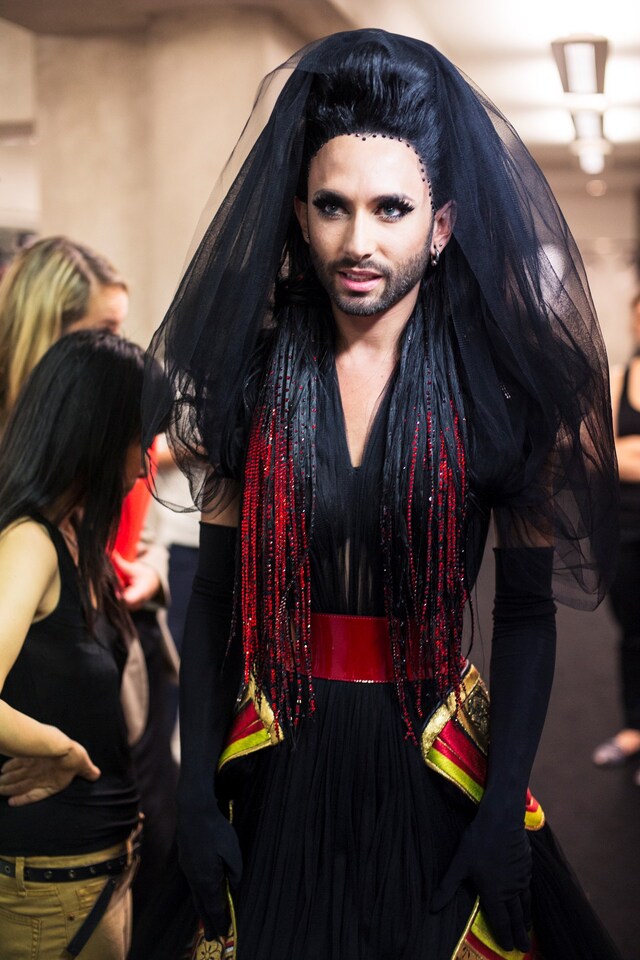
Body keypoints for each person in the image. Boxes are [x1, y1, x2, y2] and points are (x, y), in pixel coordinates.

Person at [143, 30, 621, 960]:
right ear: (298, 211)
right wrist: (196, 793)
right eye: (332, 206)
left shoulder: (502, 391)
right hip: (273, 760)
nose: (358, 242)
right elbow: (211, 597)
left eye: (391, 208)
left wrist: (500, 810)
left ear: (440, 225)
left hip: (435, 760)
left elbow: (527, 617)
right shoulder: (247, 378)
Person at [0, 234, 181, 923]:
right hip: (47, 695)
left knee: (151, 851)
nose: (118, 347)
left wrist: (150, 577)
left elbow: (144, 530)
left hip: (113, 651)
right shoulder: (28, 523)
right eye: (104, 331)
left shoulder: (104, 455)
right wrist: (50, 744)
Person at [0, 331, 147, 959]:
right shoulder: (30, 542)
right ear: (99, 434)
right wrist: (59, 750)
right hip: (51, 894)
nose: (145, 464)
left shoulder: (72, 534)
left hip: (97, 876)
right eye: (140, 440)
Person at [593, 291, 640, 781]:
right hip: (624, 526)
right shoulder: (621, 380)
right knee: (631, 633)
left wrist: (627, 454)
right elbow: (599, 455)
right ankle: (634, 727)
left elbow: (620, 453)